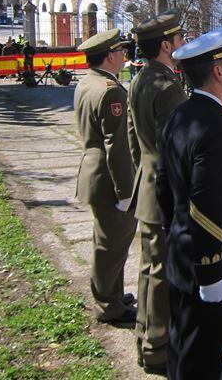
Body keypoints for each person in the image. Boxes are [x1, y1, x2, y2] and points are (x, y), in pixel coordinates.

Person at [157, 27, 222, 379]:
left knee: (182, 345)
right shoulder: (217, 128)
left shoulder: (180, 115)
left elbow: (163, 186)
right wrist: (211, 274)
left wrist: (174, 235)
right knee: (202, 358)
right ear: (218, 71)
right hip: (210, 266)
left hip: (182, 253)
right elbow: (205, 205)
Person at [126, 13, 187, 375]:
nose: (182, 43)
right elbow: (177, 150)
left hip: (147, 185)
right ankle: (158, 348)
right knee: (161, 273)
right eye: (178, 39)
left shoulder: (140, 79)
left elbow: (133, 138)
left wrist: (143, 176)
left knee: (149, 268)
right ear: (166, 45)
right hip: (163, 193)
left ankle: (144, 340)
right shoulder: (168, 87)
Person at [73, 28, 137, 326]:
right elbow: (117, 146)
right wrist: (126, 192)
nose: (125, 54)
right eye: (121, 51)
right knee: (111, 245)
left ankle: (113, 295)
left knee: (109, 242)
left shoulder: (88, 82)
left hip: (94, 171)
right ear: (110, 56)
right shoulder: (111, 90)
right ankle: (109, 306)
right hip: (109, 179)